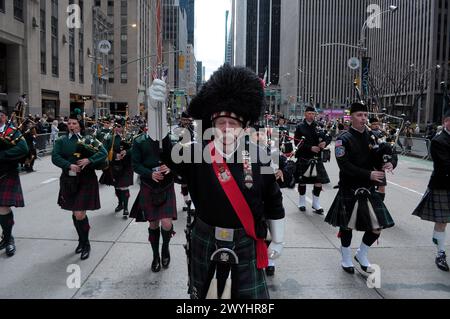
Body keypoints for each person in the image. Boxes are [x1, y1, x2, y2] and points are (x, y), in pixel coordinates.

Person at [149, 65, 286, 299]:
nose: (226, 128)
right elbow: (162, 150)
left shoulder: (260, 156)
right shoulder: (195, 153)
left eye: (232, 123)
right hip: (205, 237)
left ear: (244, 127)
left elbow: (274, 202)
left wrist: (279, 240)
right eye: (220, 122)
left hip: (246, 239)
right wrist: (155, 111)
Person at [325, 103, 396, 274]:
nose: (363, 118)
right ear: (351, 117)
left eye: (365, 115)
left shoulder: (374, 137)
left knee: (377, 227)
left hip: (369, 189)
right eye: (359, 115)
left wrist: (390, 162)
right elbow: (345, 165)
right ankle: (346, 258)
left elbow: (390, 151)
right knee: (347, 227)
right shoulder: (344, 139)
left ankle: (361, 254)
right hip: (350, 187)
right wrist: (368, 174)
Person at [51, 109, 107, 260]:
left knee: (79, 213)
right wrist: (68, 166)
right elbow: (55, 157)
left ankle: (86, 243)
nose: (71, 125)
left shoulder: (88, 139)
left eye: (74, 123)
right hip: (69, 180)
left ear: (80, 125)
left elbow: (103, 152)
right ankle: (81, 241)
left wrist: (90, 160)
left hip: (86, 180)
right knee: (75, 213)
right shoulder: (61, 141)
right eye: (69, 123)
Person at [413, 109, 450, 272]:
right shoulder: (438, 141)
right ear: (445, 122)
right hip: (443, 185)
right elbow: (445, 165)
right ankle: (440, 253)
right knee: (442, 221)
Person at [0, 107, 29, 257]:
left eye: (0, 115)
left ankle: (8, 239)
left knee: (3, 207)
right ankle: (6, 237)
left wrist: (3, 155)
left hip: (6, 173)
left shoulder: (12, 131)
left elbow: (23, 149)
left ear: (4, 117)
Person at [294, 106, 332, 214]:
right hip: (304, 156)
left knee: (318, 181)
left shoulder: (319, 126)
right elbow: (297, 143)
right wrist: (310, 147)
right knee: (302, 181)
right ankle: (302, 202)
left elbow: (327, 137)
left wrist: (325, 142)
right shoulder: (300, 127)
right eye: (309, 113)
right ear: (305, 114)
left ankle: (316, 203)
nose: (311, 115)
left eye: (313, 113)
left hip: (316, 157)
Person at [99, 117, 134, 217]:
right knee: (117, 187)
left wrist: (126, 152)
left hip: (126, 165)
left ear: (124, 127)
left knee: (124, 186)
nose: (118, 128)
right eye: (116, 126)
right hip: (114, 166)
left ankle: (126, 208)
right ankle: (120, 204)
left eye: (120, 126)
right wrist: (115, 155)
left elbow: (135, 148)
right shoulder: (109, 137)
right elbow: (104, 150)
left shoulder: (129, 136)